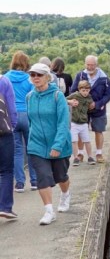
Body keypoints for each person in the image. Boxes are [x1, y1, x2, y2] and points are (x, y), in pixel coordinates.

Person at [26, 63, 72, 225]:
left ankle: (65, 194)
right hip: (37, 145)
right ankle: (49, 211)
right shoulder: (30, 97)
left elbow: (63, 123)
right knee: (43, 177)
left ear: (47, 77)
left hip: (58, 144)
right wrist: (31, 140)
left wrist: (57, 145)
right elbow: (31, 122)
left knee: (61, 177)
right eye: (33, 75)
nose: (36, 78)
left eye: (39, 75)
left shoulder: (57, 96)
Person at [5, 50, 39, 192]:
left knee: (17, 151)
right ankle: (34, 181)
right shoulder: (29, 78)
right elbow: (34, 97)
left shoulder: (6, 78)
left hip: (11, 116)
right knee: (31, 148)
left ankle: (19, 183)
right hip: (27, 114)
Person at [70, 55, 110, 163]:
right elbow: (73, 90)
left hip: (98, 109)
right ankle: (80, 153)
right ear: (85, 64)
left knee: (98, 130)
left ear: (96, 65)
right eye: (88, 65)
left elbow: (108, 94)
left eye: (92, 65)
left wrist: (97, 104)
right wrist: (78, 101)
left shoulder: (104, 78)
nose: (90, 67)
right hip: (81, 110)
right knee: (80, 131)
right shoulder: (80, 75)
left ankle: (99, 153)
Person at [0, 71, 18, 221]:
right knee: (6, 170)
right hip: (4, 132)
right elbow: (11, 107)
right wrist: (12, 125)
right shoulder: (4, 81)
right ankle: (5, 207)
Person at [67, 79, 96, 164]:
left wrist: (92, 105)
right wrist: (70, 102)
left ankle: (90, 157)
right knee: (74, 141)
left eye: (87, 90)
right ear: (79, 89)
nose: (85, 92)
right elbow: (63, 99)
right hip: (74, 122)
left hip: (84, 123)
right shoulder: (75, 95)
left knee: (87, 140)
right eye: (83, 90)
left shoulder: (89, 97)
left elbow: (91, 105)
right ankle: (76, 158)